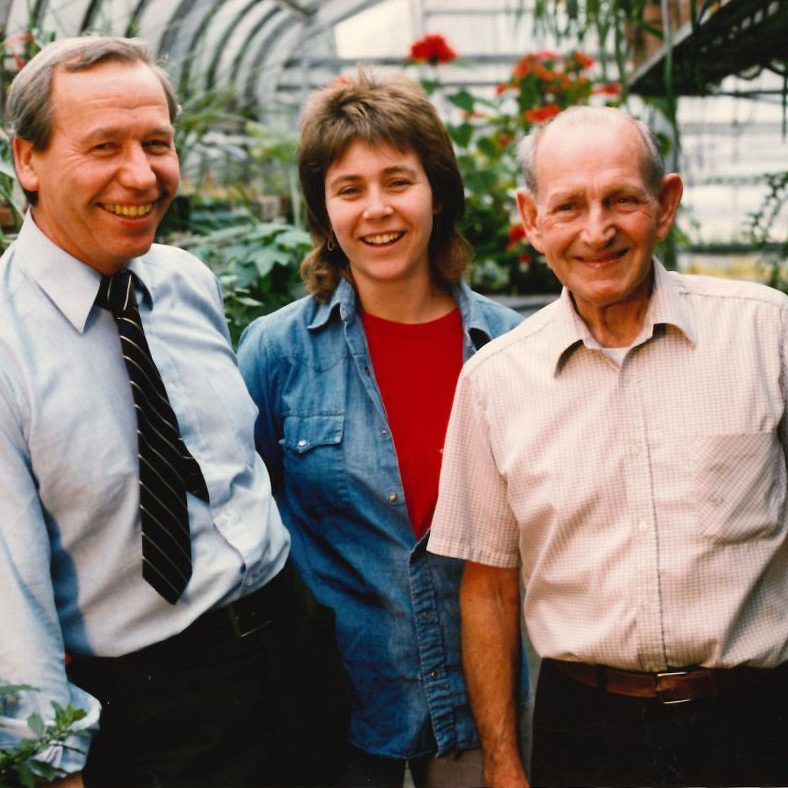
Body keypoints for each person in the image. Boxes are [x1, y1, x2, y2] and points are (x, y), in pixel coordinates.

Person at [0, 35, 347, 787]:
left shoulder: (185, 281)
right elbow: (10, 592)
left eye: (157, 143)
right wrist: (54, 765)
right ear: (28, 159)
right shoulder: (6, 346)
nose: (141, 174)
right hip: (158, 713)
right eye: (104, 146)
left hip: (295, 650)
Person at [428, 105, 788, 788]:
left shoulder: (766, 334)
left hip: (757, 721)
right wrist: (503, 764)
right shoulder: (494, 384)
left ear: (666, 204)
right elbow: (489, 589)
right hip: (587, 732)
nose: (597, 231)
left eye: (621, 199)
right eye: (568, 207)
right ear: (531, 220)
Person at [237, 70, 526, 788]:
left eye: (398, 181)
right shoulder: (278, 355)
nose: (377, 210)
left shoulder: (509, 349)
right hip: (338, 720)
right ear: (323, 209)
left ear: (437, 191)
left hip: (483, 717)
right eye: (349, 189)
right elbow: (242, 525)